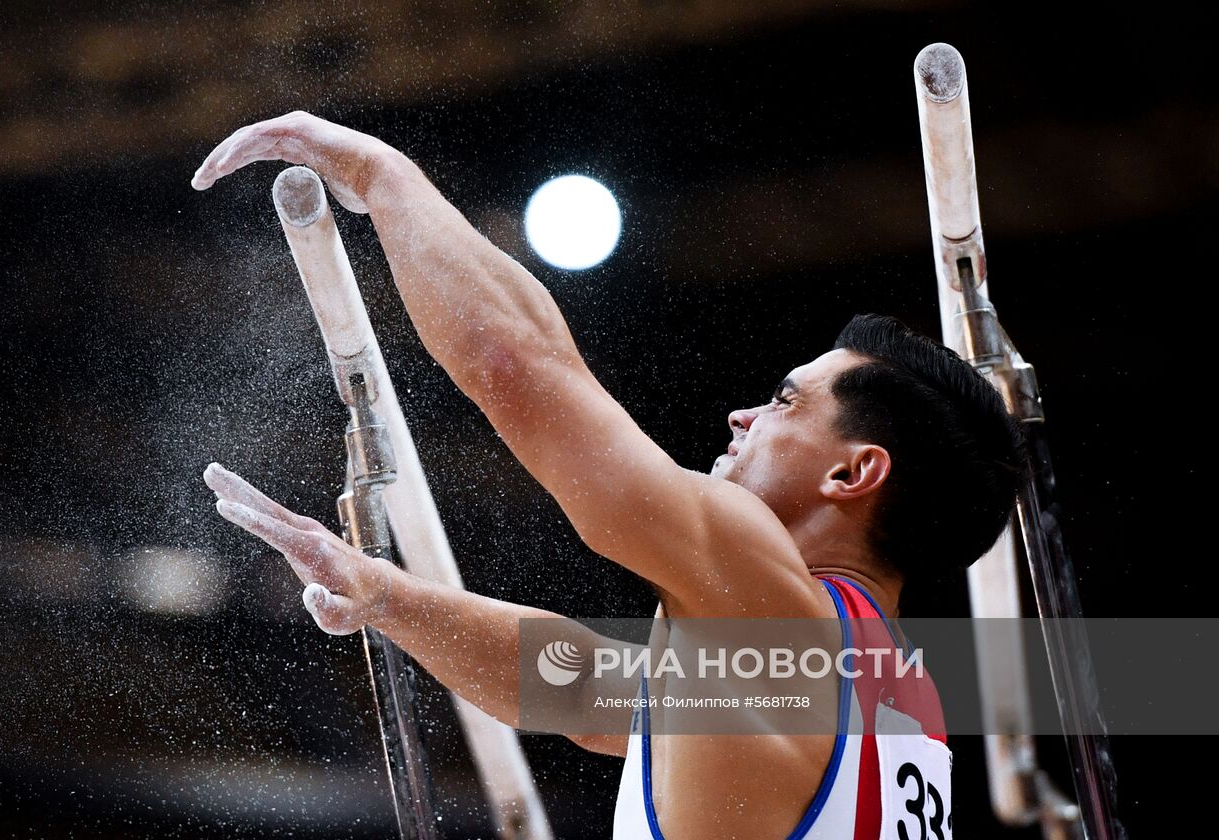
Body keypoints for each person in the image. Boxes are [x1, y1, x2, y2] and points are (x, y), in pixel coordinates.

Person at [194, 111, 1027, 838]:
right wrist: (385, 597)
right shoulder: (905, 707)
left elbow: (516, 365)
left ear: (855, 472)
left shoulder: (771, 610)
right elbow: (587, 693)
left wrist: (383, 177)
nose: (744, 416)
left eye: (784, 401)